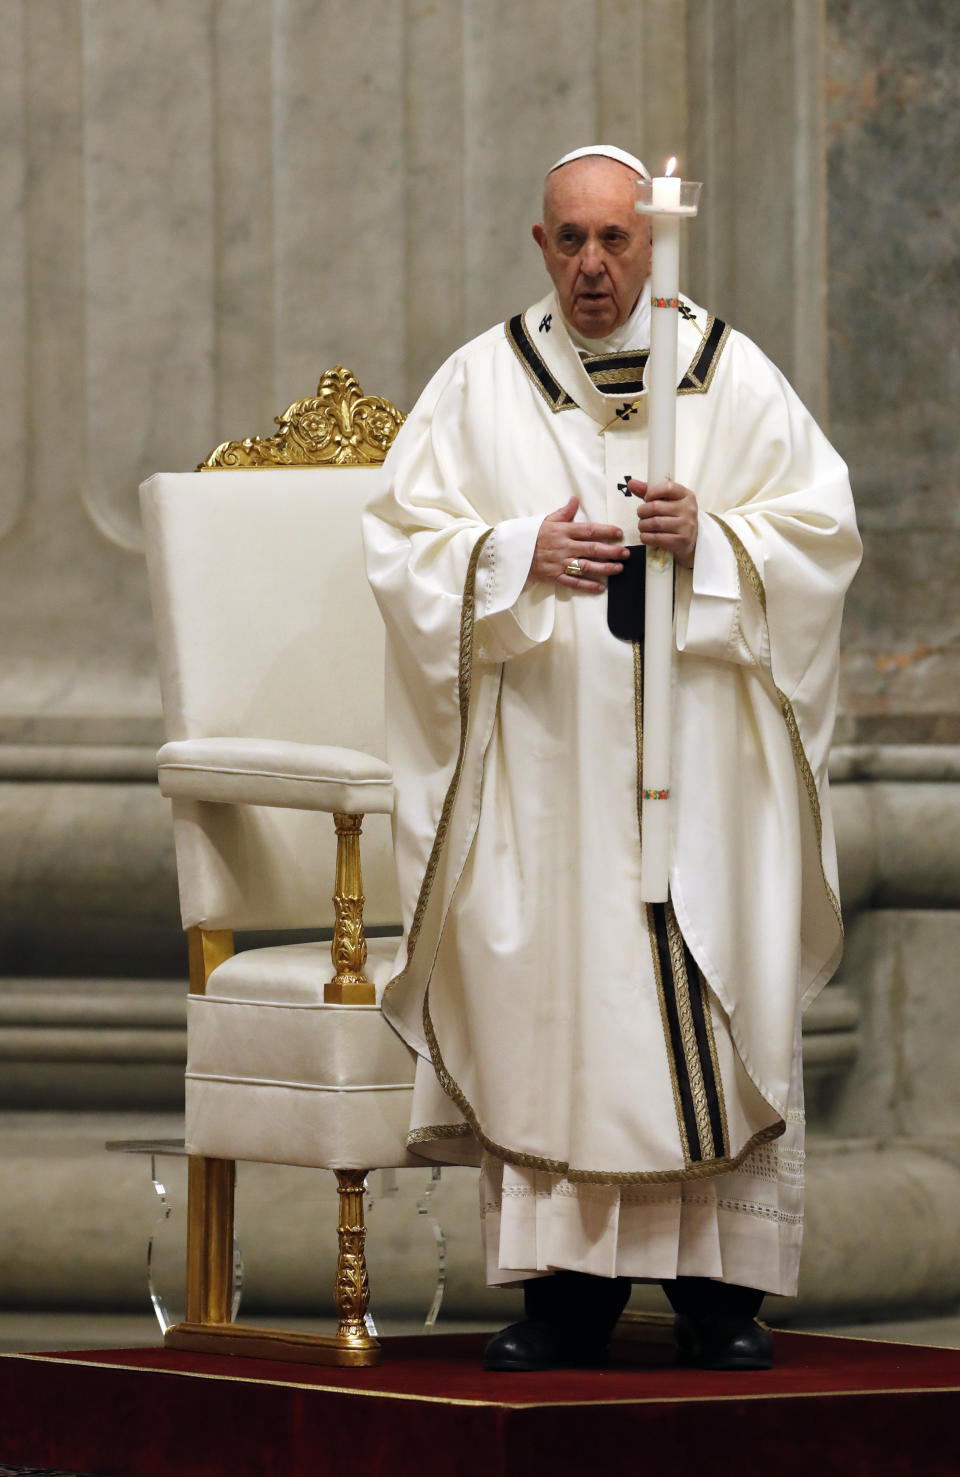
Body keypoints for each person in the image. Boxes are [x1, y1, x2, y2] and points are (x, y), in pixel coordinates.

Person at [363, 144, 861, 1372]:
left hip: (703, 772)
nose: (594, 265)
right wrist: (510, 554)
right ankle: (565, 1292)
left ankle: (716, 1294)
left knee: (695, 994)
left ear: (653, 240)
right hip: (549, 774)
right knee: (564, 1009)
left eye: (617, 239)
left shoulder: (730, 378)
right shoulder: (483, 384)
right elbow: (400, 545)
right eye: (571, 240)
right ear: (541, 245)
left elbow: (823, 533)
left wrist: (723, 538)